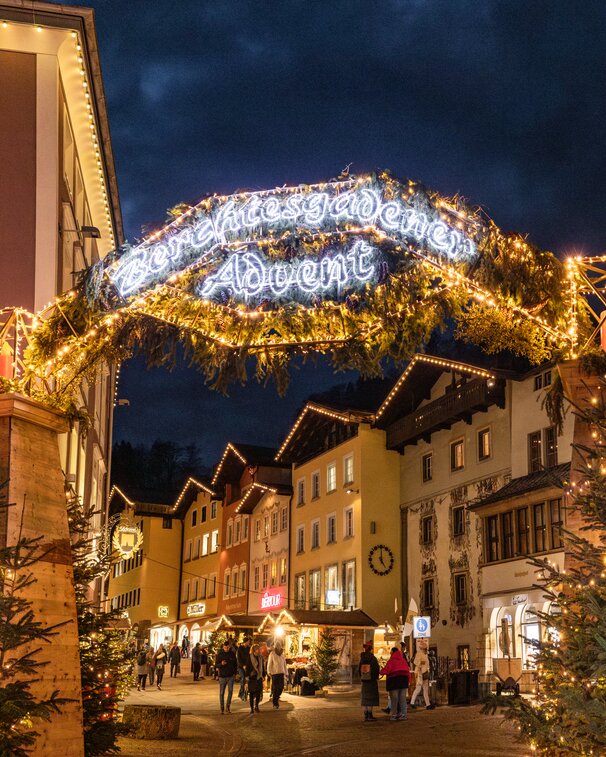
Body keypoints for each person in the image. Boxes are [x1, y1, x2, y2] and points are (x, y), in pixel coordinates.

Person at [380, 647, 410, 721]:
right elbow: (408, 672)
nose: (390, 653)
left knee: (394, 699)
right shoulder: (403, 661)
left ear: (393, 652)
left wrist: (380, 672)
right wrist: (408, 682)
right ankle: (404, 715)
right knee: (402, 699)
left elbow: (387, 670)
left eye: (391, 651)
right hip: (404, 681)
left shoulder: (391, 661)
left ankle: (394, 715)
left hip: (394, 681)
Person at [359, 641, 380, 721]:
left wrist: (362, 677)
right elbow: (376, 669)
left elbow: (359, 669)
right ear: (371, 650)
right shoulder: (373, 658)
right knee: (371, 698)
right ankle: (370, 715)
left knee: (365, 698)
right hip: (372, 681)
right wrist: (375, 677)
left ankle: (365, 715)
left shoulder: (362, 658)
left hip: (364, 680)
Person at [410, 640, 434, 710]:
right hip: (420, 674)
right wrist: (421, 664)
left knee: (425, 690)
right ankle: (412, 702)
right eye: (426, 648)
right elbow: (416, 662)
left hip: (425, 673)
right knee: (418, 689)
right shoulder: (419, 654)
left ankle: (428, 704)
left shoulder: (424, 654)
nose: (426, 650)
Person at [216, 639, 238, 713]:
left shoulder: (232, 654)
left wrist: (235, 673)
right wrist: (221, 664)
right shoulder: (220, 654)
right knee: (222, 692)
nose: (227, 649)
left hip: (230, 676)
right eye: (226, 648)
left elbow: (235, 664)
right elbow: (216, 665)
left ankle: (228, 706)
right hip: (222, 676)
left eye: (228, 647)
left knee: (230, 691)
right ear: (223, 647)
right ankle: (222, 708)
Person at [245, 643, 265, 714]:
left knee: (258, 692)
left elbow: (262, 667)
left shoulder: (260, 657)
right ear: (254, 650)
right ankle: (251, 708)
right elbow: (247, 668)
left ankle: (256, 706)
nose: (259, 650)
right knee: (251, 693)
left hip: (259, 677)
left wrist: (263, 675)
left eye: (259, 649)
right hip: (252, 677)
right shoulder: (249, 657)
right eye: (258, 649)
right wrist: (247, 677)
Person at [267, 643, 288, 709]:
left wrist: (286, 672)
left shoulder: (282, 654)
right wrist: (269, 671)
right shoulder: (272, 654)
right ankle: (275, 703)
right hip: (275, 673)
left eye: (280, 646)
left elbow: (284, 663)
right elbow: (269, 663)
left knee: (281, 687)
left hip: (281, 673)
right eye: (277, 646)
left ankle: (275, 698)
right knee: (275, 688)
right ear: (275, 647)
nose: (279, 647)